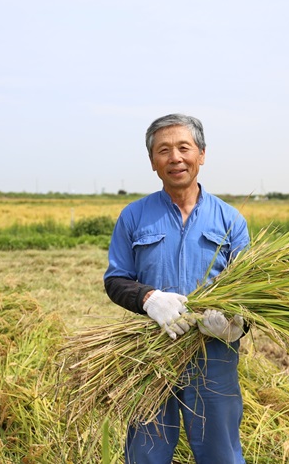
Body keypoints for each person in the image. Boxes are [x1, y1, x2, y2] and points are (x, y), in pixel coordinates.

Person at [104, 113, 250, 464]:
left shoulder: (230, 220)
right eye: (163, 150)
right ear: (153, 162)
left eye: (184, 148)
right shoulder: (134, 216)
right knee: (145, 453)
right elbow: (116, 279)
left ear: (201, 154)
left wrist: (235, 326)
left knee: (222, 454)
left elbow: (250, 292)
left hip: (213, 356)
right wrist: (149, 299)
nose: (175, 158)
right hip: (150, 351)